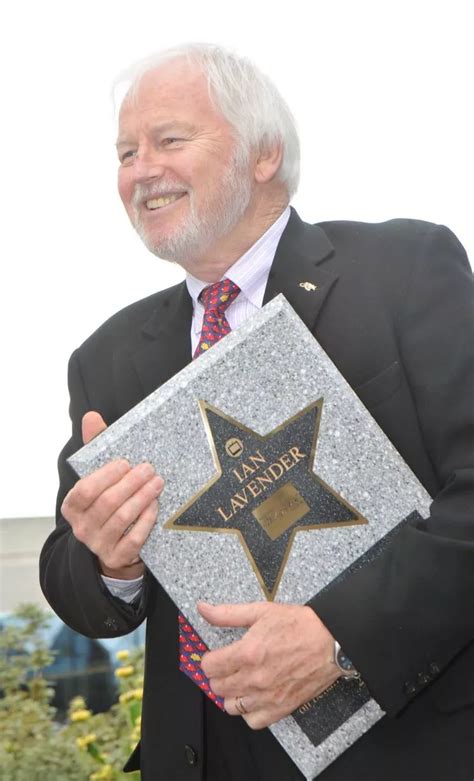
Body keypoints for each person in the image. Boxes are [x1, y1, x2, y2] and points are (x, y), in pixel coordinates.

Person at [39, 43, 474, 780]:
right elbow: (73, 579)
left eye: (169, 140)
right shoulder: (106, 357)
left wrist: (340, 636)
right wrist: (110, 558)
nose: (140, 169)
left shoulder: (404, 270)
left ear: (264, 152)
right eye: (125, 152)